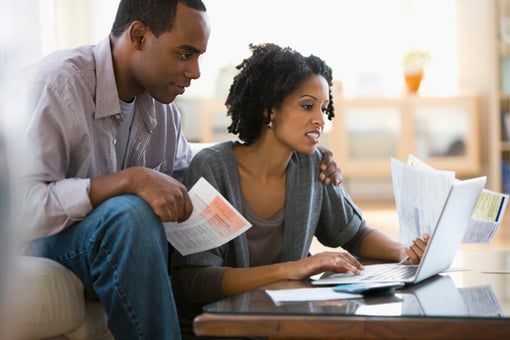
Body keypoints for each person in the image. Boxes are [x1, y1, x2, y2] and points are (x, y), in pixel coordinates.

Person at [16, 1, 342, 339]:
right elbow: (19, 207)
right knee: (130, 213)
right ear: (139, 36)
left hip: (118, 247)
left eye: (199, 56)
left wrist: (304, 152)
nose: (196, 71)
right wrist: (129, 181)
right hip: (45, 241)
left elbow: (193, 187)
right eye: (185, 54)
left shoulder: (164, 111)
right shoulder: (58, 84)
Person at [171, 43, 429, 337]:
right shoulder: (212, 169)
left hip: (284, 325)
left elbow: (355, 233)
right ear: (269, 109)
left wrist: (404, 253)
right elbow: (195, 281)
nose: (320, 119)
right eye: (307, 106)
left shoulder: (312, 164)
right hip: (221, 329)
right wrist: (292, 268)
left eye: (323, 107)